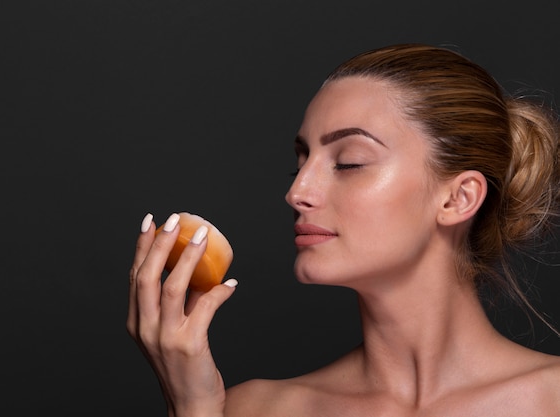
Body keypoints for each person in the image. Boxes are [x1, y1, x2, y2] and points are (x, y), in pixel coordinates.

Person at [127, 43, 560, 416]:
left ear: (457, 198)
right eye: (301, 162)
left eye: (349, 162)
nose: (297, 192)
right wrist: (192, 408)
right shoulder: (252, 409)